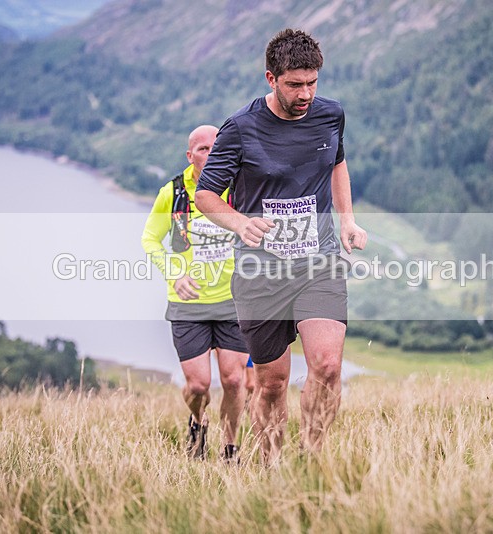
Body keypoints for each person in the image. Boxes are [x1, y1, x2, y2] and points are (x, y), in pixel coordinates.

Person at [194, 29, 367, 462]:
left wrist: (347, 219)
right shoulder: (239, 129)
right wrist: (239, 223)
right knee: (271, 383)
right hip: (261, 272)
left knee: (327, 366)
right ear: (271, 78)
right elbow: (206, 195)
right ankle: (272, 466)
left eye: (312, 82)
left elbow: (337, 164)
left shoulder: (331, 116)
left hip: (319, 261)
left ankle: (312, 462)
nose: (306, 92)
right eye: (295, 84)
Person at [141, 124, 249, 461]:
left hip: (234, 301)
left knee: (234, 380)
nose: (212, 153)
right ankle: (198, 422)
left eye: (217, 147)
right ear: (190, 155)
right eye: (203, 148)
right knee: (199, 385)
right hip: (188, 304)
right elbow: (150, 239)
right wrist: (174, 276)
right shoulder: (172, 193)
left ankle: (230, 447)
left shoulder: (240, 188)